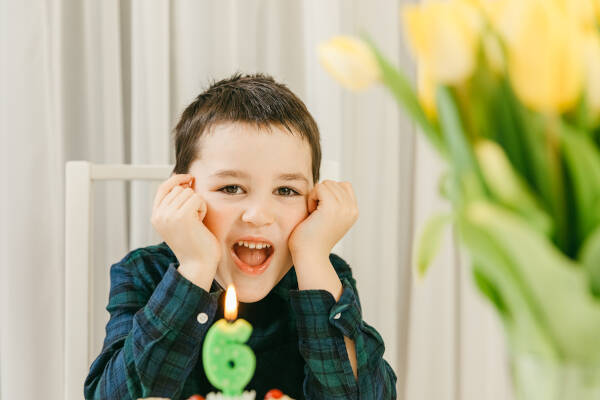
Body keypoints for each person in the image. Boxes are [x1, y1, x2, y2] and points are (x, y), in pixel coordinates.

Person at [84, 73, 397, 400]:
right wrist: (195, 265)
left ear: (312, 203)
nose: (259, 215)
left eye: (286, 190)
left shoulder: (322, 276)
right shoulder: (143, 272)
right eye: (231, 188)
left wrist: (314, 257)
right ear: (183, 194)